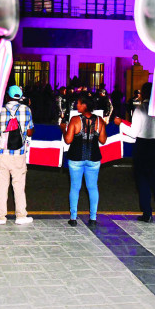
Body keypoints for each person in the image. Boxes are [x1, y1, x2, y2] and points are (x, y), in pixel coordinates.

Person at [117, 82, 155, 223]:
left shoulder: (140, 109)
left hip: (143, 145)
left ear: (144, 94)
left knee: (143, 180)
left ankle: (147, 213)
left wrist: (121, 124)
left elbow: (134, 132)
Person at [0, 85, 35, 225]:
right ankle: (21, 216)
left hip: (2, 153)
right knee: (19, 186)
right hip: (19, 154)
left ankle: (0, 217)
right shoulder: (27, 110)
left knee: (2, 186)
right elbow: (31, 132)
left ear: (7, 96)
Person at [61, 95, 106, 226]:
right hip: (93, 158)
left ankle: (73, 218)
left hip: (76, 158)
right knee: (92, 187)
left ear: (85, 105)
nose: (77, 105)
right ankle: (93, 218)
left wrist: (63, 128)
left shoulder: (75, 120)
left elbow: (68, 140)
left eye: (79, 103)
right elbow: (103, 140)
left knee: (75, 187)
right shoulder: (99, 120)